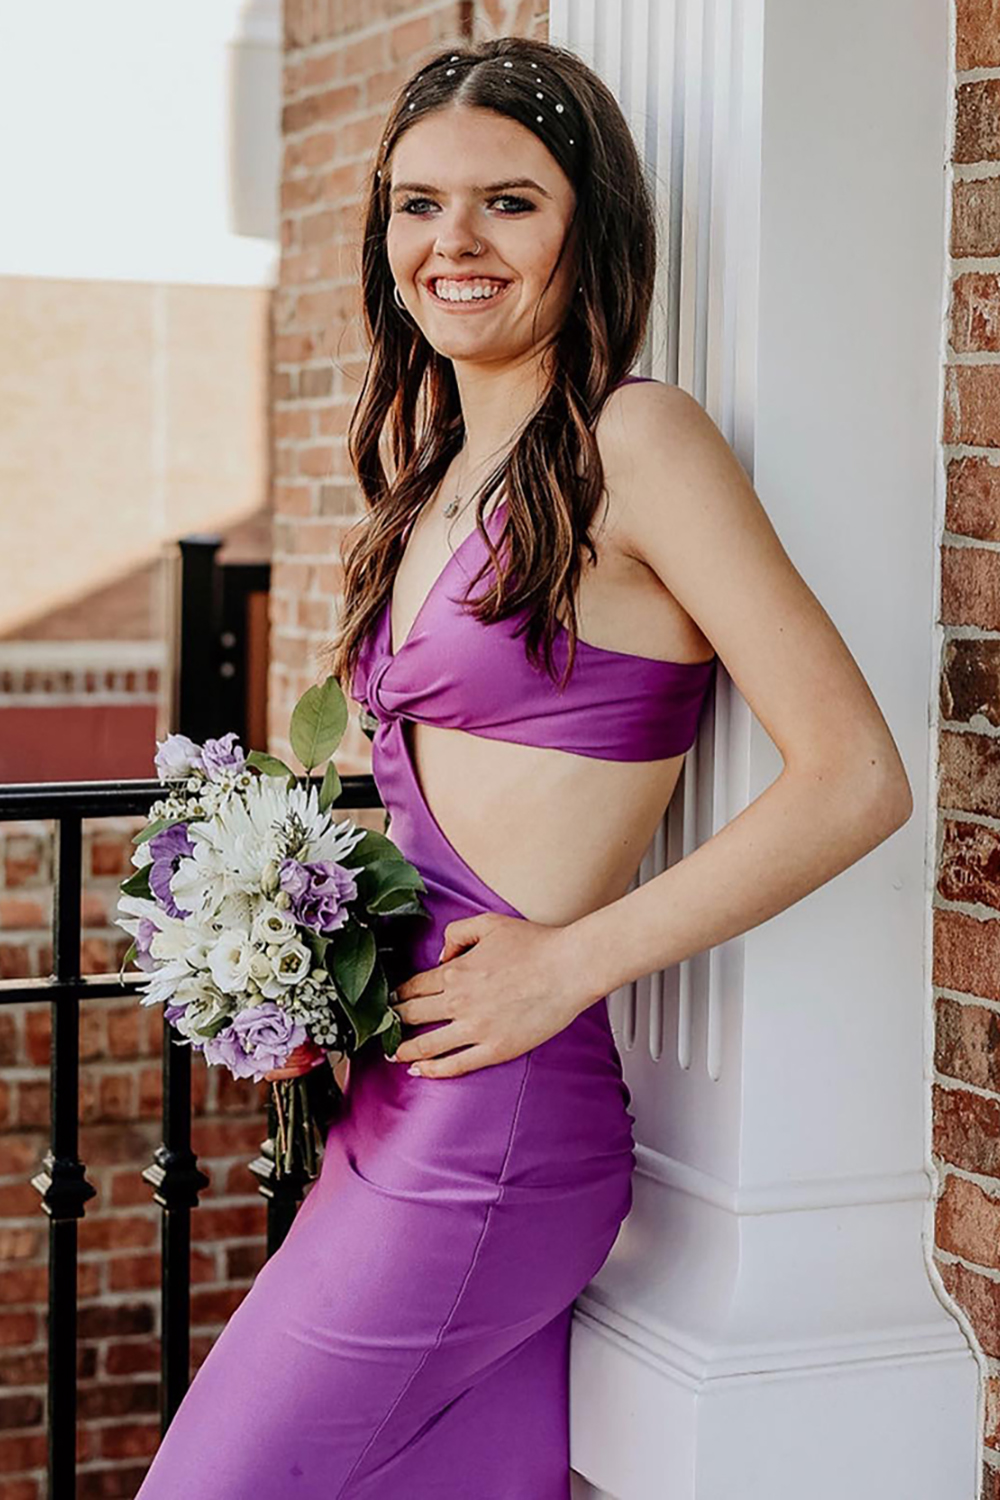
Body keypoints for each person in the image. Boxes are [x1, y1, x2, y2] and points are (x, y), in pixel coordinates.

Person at [135, 34, 912, 1500]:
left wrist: (570, 966)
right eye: (417, 204)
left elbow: (857, 775)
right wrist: (295, 968)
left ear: (588, 224)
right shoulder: (430, 474)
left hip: (492, 1122)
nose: (453, 243)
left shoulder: (639, 441)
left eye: (510, 202)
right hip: (394, 1089)